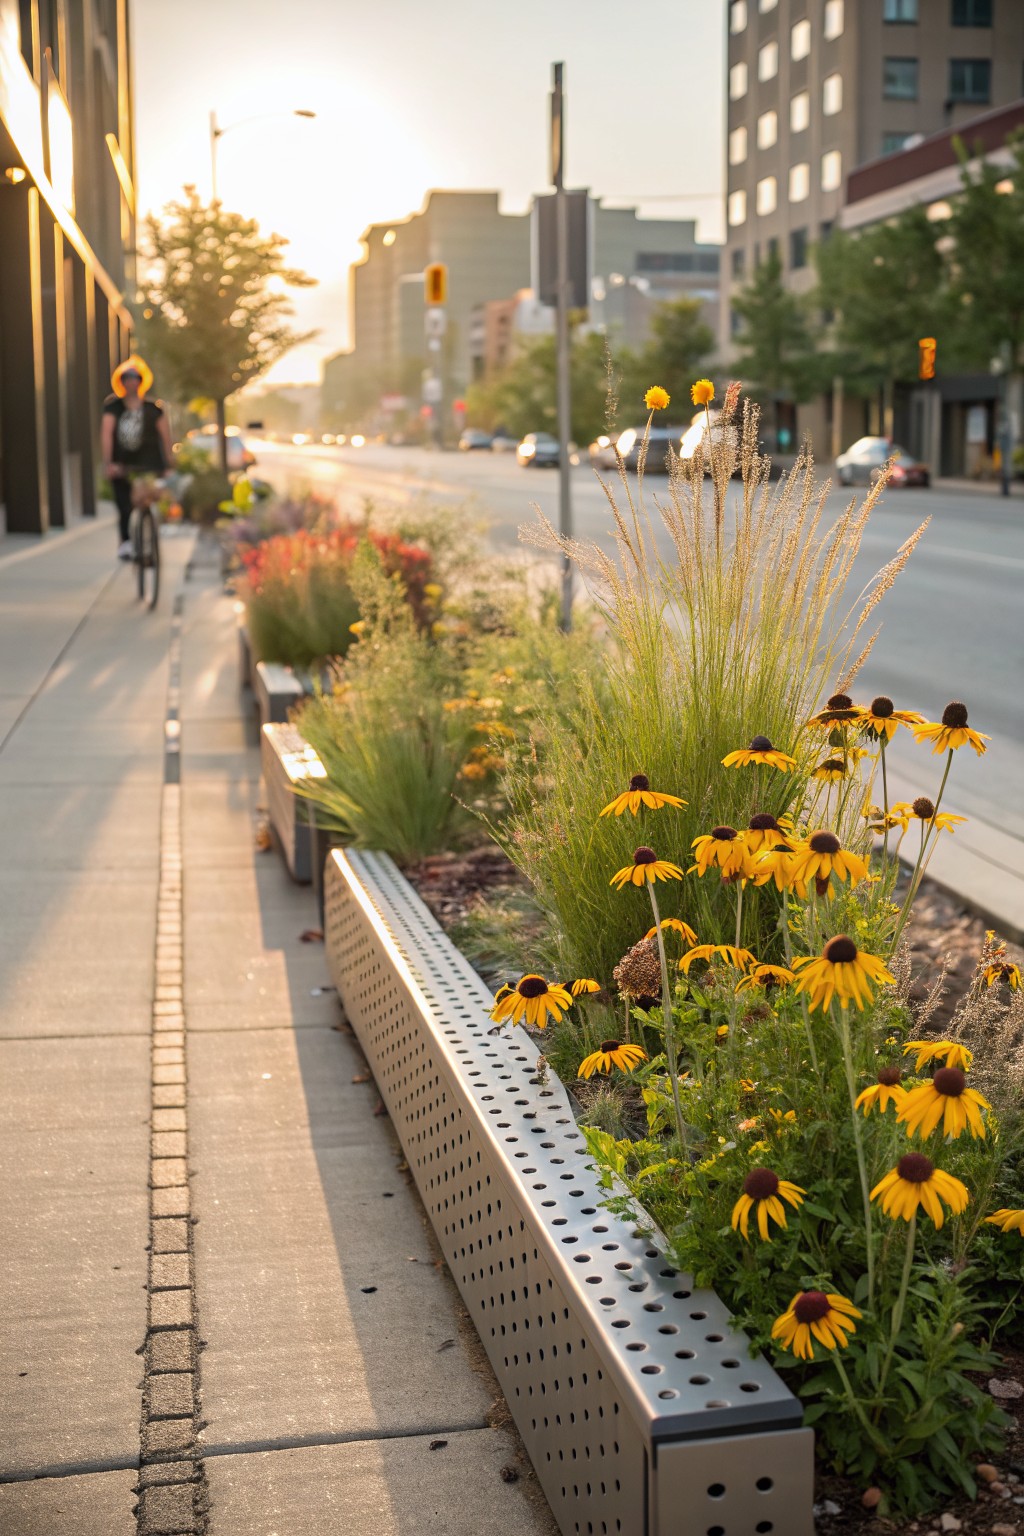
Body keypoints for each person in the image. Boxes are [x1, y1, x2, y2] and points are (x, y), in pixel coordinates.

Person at [101, 356, 174, 558]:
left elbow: (166, 436)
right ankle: (126, 543)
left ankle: (149, 546)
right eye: (127, 377)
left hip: (149, 463)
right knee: (124, 506)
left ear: (142, 381)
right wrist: (109, 463)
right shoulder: (113, 406)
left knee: (149, 500)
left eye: (136, 377)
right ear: (121, 380)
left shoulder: (154, 409)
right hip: (122, 464)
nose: (131, 381)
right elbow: (106, 434)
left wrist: (169, 463)